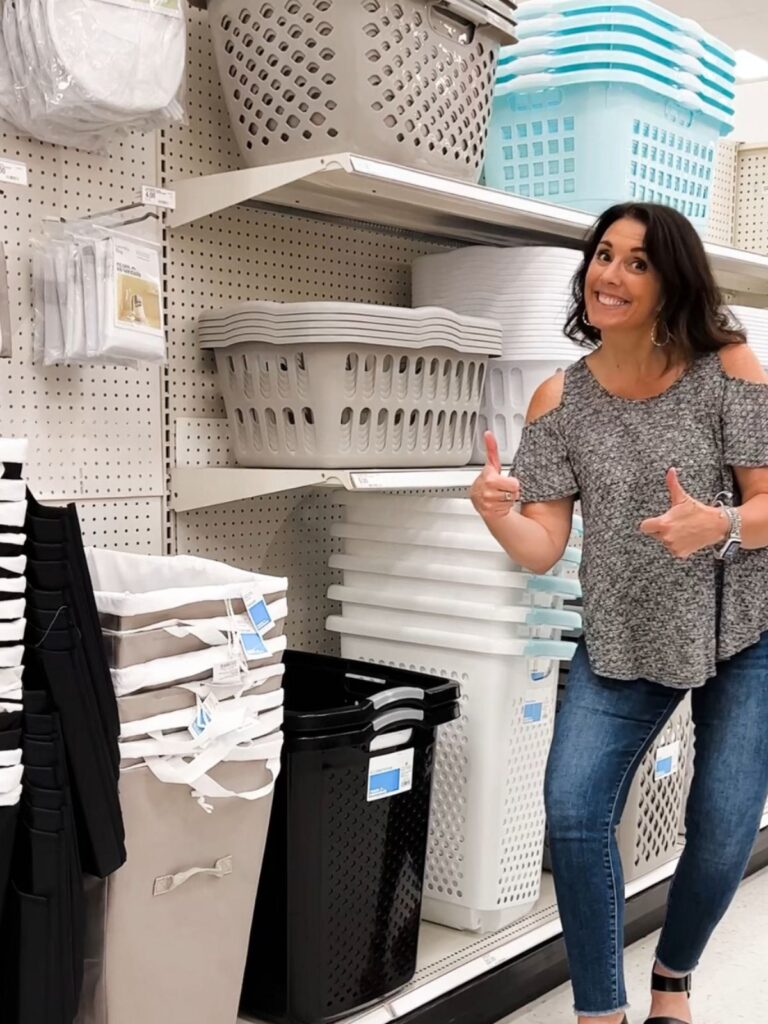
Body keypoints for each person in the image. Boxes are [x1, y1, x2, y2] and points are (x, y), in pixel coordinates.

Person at [470, 202, 768, 1024]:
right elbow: (541, 545)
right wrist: (496, 512)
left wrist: (721, 524)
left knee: (724, 822)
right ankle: (600, 1013)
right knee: (573, 809)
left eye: (638, 262)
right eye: (605, 255)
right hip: (626, 631)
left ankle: (673, 978)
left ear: (673, 282)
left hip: (743, 625)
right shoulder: (558, 399)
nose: (611, 274)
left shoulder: (729, 367)